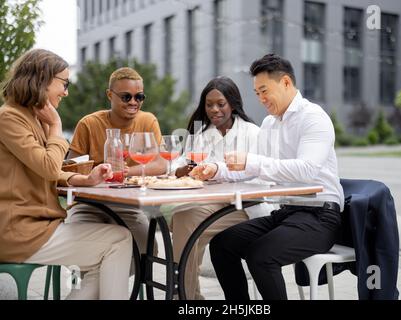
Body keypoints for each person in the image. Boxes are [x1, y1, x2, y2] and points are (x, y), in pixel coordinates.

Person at [190, 54, 344, 300]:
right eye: (256, 92)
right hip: (287, 213)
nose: (260, 99)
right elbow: (251, 167)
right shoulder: (270, 124)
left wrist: (250, 161)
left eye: (264, 91)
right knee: (222, 245)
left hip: (319, 216)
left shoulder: (313, 117)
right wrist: (216, 169)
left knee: (261, 256)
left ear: (285, 83)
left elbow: (307, 170)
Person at [0, 49, 132, 299]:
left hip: (34, 226)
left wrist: (82, 179)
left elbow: (42, 168)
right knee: (120, 240)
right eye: (64, 83)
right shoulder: (10, 118)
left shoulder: (30, 117)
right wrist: (56, 127)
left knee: (103, 260)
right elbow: (49, 166)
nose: (66, 91)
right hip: (18, 232)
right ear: (42, 79)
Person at [168, 76, 275, 300]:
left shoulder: (252, 133)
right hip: (211, 205)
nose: (214, 110)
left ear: (233, 104)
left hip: (245, 207)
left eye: (221, 104)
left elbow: (262, 178)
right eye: (209, 105)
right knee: (182, 219)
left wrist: (218, 174)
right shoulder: (202, 134)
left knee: (185, 224)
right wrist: (182, 170)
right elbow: (179, 163)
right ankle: (189, 296)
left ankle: (183, 296)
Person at [67, 67, 166, 258]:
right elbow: (70, 169)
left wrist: (127, 172)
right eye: (126, 97)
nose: (133, 102)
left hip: (127, 206)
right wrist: (94, 174)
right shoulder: (89, 123)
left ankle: (110, 281)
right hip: (89, 205)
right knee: (85, 251)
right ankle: (103, 281)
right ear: (109, 95)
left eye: (139, 97)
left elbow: (161, 165)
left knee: (148, 249)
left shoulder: (148, 121)